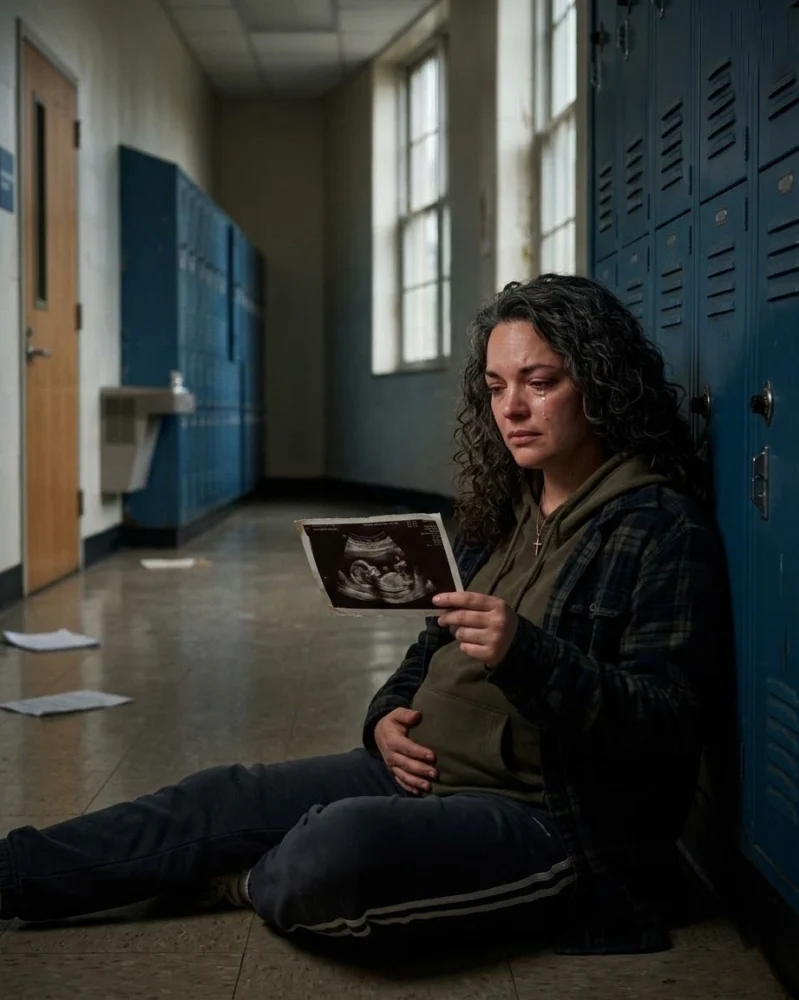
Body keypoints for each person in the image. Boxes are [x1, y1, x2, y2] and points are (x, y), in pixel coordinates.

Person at [0, 275, 726, 955]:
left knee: (340, 845)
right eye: (496, 386)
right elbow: (424, 656)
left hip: (545, 820)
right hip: (412, 774)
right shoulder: (498, 512)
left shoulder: (659, 527)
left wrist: (524, 653)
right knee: (219, 796)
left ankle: (249, 878)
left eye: (540, 383)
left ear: (598, 385)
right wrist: (385, 715)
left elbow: (666, 724)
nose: (511, 409)